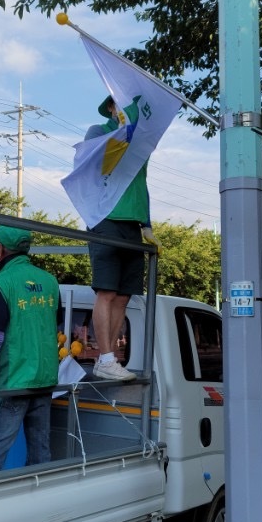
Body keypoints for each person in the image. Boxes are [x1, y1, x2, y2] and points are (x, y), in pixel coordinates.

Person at [0, 226, 60, 473]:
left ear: (0, 249)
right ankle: (38, 502)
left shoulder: (1, 283)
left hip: (14, 381)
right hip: (44, 378)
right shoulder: (50, 281)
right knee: (40, 450)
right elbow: (53, 326)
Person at [85, 94, 156, 382]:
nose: (126, 110)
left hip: (133, 222)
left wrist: (148, 224)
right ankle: (104, 356)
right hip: (105, 217)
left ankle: (110, 358)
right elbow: (94, 164)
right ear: (111, 108)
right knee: (107, 291)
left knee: (124, 295)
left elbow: (141, 184)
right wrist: (121, 131)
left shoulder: (142, 143)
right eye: (120, 104)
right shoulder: (98, 131)